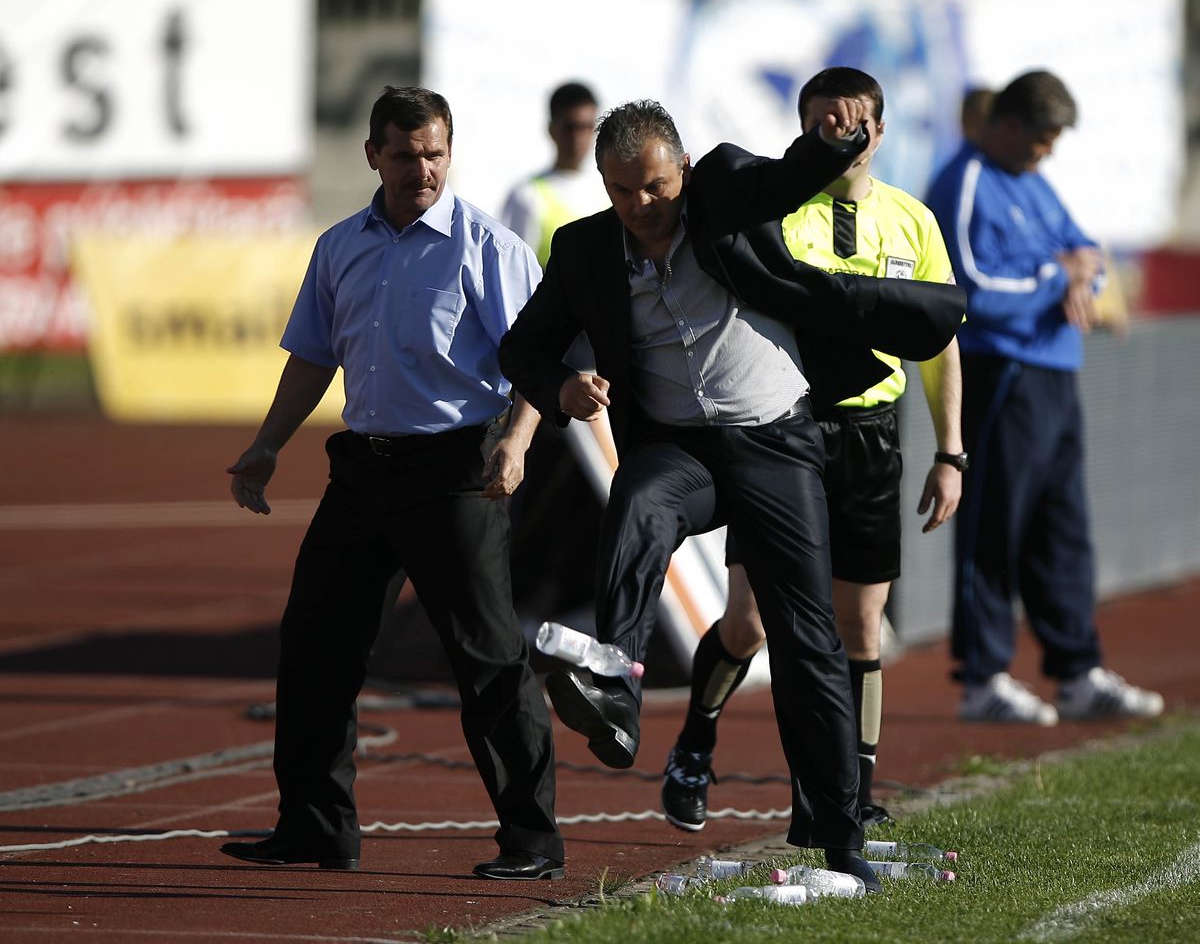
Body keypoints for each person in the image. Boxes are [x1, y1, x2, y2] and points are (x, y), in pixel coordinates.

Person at [499, 98, 965, 891]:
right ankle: (616, 679)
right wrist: (563, 386)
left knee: (807, 639)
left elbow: (792, 176)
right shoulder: (583, 249)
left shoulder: (722, 190)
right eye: (620, 190)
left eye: (654, 185)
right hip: (679, 448)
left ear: (682, 169)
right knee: (638, 501)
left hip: (776, 441)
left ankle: (840, 835)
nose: (640, 205)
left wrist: (835, 141)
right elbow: (523, 347)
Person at [219, 86, 565, 881]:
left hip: (458, 472)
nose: (423, 170)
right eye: (406, 155)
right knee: (314, 643)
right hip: (361, 471)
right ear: (373, 155)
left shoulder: (488, 247)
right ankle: (315, 827)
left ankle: (533, 840)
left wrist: (516, 444)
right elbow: (312, 354)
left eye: (435, 154)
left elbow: (538, 363)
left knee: (487, 658)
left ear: (451, 153)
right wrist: (267, 444)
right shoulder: (340, 245)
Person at [659, 67, 964, 834]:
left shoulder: (914, 221)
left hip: (871, 437)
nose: (841, 137)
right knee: (750, 622)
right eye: (823, 124)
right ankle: (695, 741)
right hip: (779, 432)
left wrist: (951, 453)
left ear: (880, 131)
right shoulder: (776, 210)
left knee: (862, 625)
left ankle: (853, 792)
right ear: (801, 133)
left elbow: (938, 343)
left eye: (854, 124)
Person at [926, 70, 1163, 725]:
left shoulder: (1034, 181)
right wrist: (1056, 279)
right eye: (1041, 140)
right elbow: (969, 287)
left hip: (1056, 372)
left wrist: (1079, 277)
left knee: (1063, 527)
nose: (1047, 154)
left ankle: (1077, 671)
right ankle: (982, 679)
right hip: (1004, 373)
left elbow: (1089, 253)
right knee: (994, 525)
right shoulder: (966, 180)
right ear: (1006, 125)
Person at [500, 81, 611, 268]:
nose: (578, 138)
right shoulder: (526, 195)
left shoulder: (610, 189)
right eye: (570, 127)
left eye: (586, 127)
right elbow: (515, 272)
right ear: (552, 129)